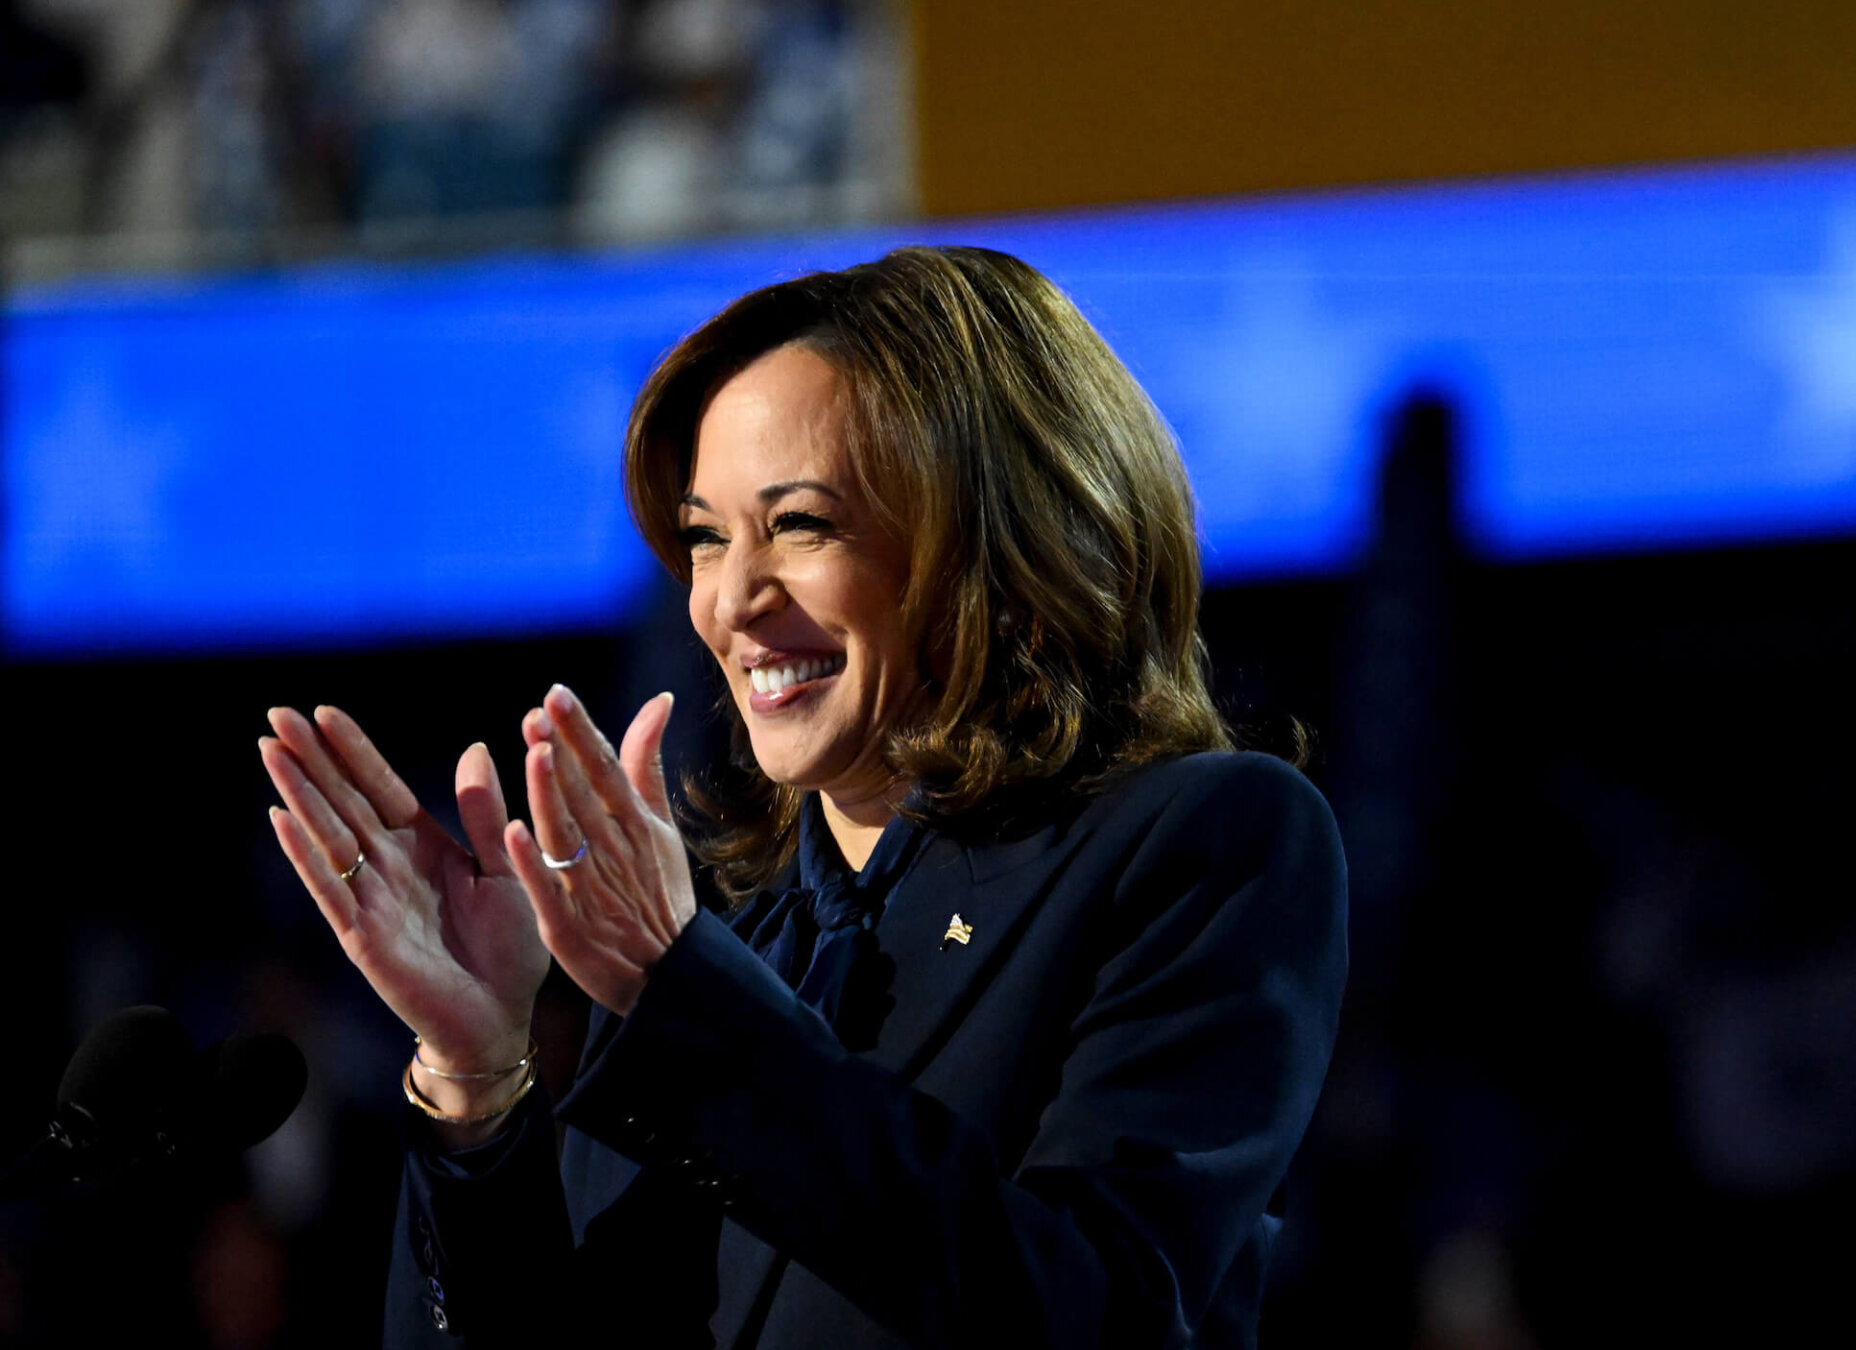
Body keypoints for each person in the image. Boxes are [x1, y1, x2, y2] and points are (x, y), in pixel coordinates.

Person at [256, 246, 1348, 1347]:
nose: (730, 600)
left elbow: (1096, 1316)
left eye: (800, 525)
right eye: (705, 538)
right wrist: (478, 1077)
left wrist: (690, 997)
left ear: (991, 539)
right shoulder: (713, 945)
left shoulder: (1205, 844)